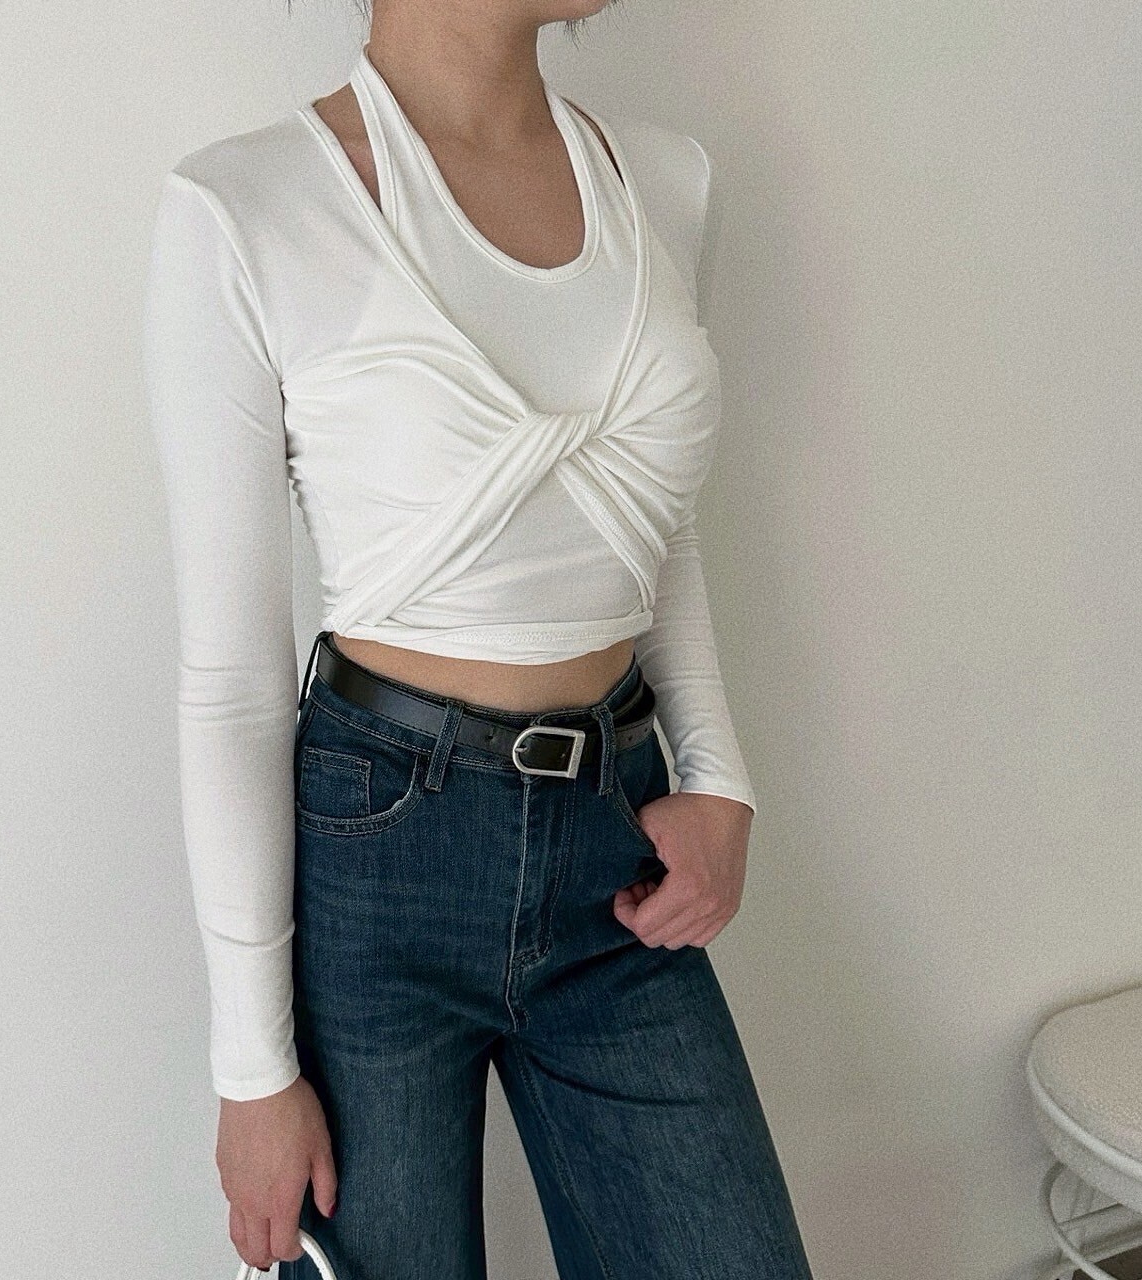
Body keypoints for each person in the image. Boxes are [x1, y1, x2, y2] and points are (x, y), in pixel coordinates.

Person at [142, 2, 815, 1276]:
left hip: (617, 844)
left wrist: (718, 774)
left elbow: (646, 513)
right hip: (378, 854)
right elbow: (231, 683)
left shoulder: (666, 182)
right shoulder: (247, 207)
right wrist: (251, 1070)